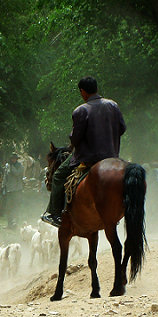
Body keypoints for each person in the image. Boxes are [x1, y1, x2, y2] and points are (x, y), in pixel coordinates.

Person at [42, 76, 126, 227]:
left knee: (59, 176)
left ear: (83, 92)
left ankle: (54, 213)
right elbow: (122, 128)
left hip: (88, 157)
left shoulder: (81, 110)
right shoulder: (113, 105)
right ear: (96, 89)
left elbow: (75, 139)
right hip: (112, 155)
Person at [2, 154, 25, 229]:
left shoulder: (20, 167)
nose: (13, 160)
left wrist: (12, 167)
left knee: (16, 207)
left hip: (17, 190)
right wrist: (3, 186)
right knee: (9, 208)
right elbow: (5, 176)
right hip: (9, 190)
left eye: (14, 159)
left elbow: (17, 174)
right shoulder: (7, 166)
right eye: (12, 159)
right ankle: (9, 224)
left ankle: (15, 224)